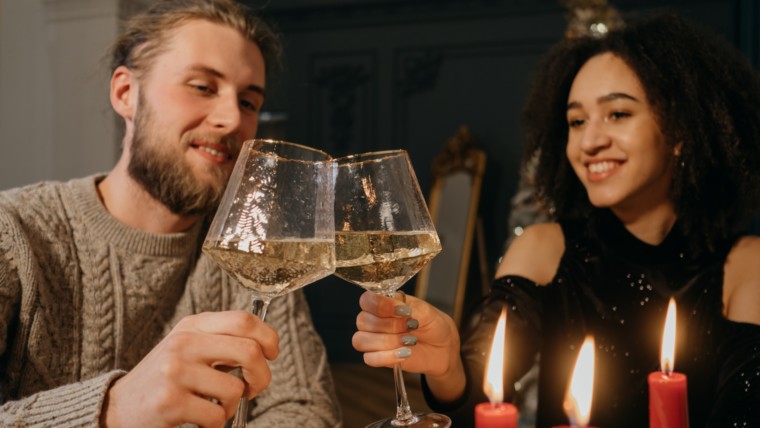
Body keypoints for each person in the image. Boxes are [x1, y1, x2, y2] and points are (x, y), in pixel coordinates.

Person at [351, 11, 760, 427]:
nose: (591, 141)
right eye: (576, 121)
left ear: (681, 131)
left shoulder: (746, 266)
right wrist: (449, 366)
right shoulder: (545, 248)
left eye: (617, 114)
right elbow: (481, 387)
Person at [0, 0, 340, 426]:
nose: (232, 118)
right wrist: (112, 410)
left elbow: (305, 410)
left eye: (249, 103)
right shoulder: (12, 234)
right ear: (126, 92)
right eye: (202, 86)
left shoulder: (254, 252)